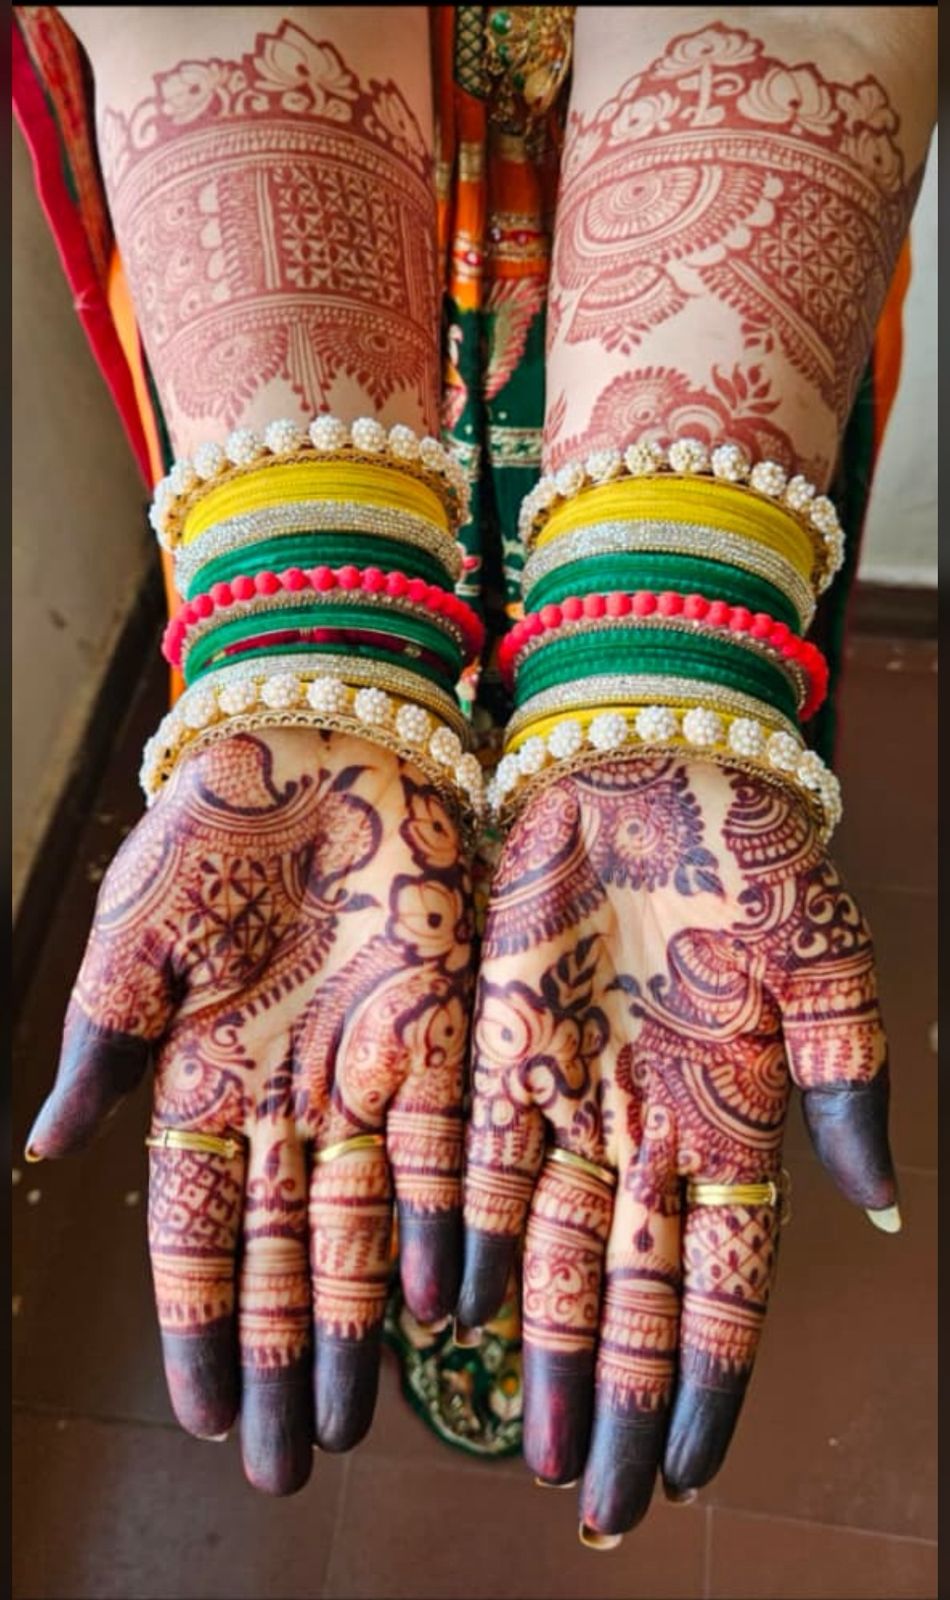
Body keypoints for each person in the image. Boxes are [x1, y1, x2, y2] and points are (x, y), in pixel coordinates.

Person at [15, 2, 936, 1551]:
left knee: (682, 783)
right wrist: (314, 623)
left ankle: (486, 1243)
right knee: (353, 988)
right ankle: (448, 1240)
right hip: (270, 374)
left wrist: (662, 663)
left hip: (724, 339)